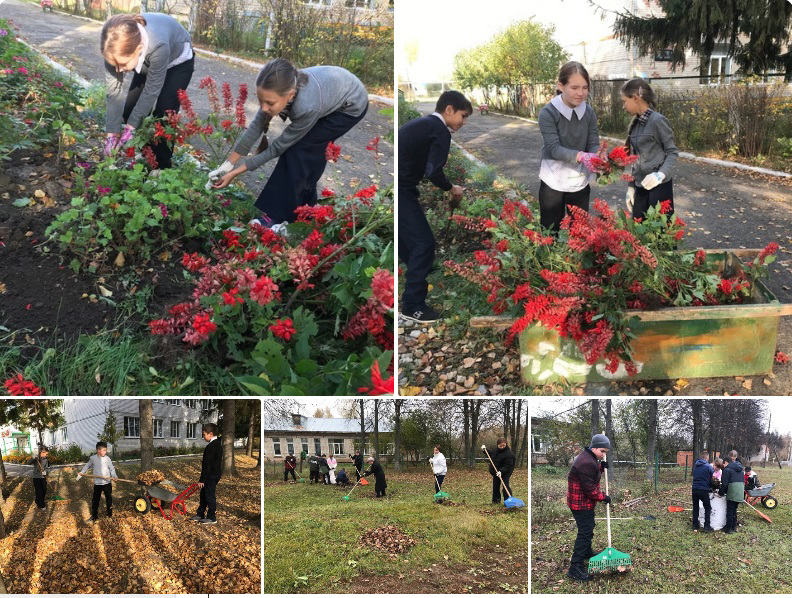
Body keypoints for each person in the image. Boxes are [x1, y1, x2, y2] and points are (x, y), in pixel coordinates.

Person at [209, 59, 369, 226]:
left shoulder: (306, 106)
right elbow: (256, 126)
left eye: (269, 103)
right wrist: (228, 165)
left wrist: (235, 173)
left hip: (349, 106)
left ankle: (279, 217)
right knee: (306, 157)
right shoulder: (276, 89)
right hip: (331, 93)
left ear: (290, 95)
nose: (264, 108)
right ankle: (307, 214)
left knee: (298, 152)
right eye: (260, 101)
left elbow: (278, 147)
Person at [398, 90, 471, 324]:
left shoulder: (422, 124)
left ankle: (418, 272)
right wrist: (452, 189)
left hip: (396, 187)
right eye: (463, 115)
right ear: (448, 110)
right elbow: (433, 171)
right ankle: (412, 306)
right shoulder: (439, 130)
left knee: (408, 242)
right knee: (423, 243)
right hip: (401, 189)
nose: (463, 122)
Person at [101, 13, 194, 168]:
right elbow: (113, 93)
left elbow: (151, 91)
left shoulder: (158, 45)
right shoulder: (112, 46)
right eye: (114, 64)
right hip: (145, 61)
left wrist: (129, 131)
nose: (118, 70)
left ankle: (162, 166)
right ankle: (145, 152)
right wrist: (112, 134)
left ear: (138, 49)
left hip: (177, 61)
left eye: (123, 65)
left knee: (164, 114)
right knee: (130, 110)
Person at [537, 61, 600, 233]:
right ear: (561, 86)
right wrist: (582, 156)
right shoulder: (548, 113)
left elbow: (593, 141)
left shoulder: (589, 112)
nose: (581, 93)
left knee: (580, 231)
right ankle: (549, 259)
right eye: (574, 87)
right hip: (553, 180)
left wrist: (596, 157)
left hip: (579, 180)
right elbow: (553, 148)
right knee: (550, 230)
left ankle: (577, 260)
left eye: (585, 87)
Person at [620, 77, 679, 219]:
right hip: (641, 187)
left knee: (660, 235)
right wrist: (631, 186)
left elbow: (672, 152)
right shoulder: (635, 125)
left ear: (635, 98)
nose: (623, 106)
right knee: (640, 233)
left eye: (624, 102)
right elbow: (635, 159)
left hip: (659, 189)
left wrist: (660, 175)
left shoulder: (657, 121)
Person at [566, 434, 612, 583]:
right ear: (595, 447)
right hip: (580, 503)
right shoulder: (586, 462)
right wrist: (604, 497)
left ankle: (586, 552)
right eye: (603, 451)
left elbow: (591, 475)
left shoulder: (589, 458)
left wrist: (600, 468)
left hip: (583, 502)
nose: (604, 455)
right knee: (585, 532)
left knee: (589, 527)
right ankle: (575, 567)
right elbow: (590, 490)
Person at [190, 423, 222, 525]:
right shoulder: (217, 444)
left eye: (204, 434)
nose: (203, 437)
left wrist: (202, 480)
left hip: (211, 476)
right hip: (212, 475)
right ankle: (200, 514)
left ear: (211, 434)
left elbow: (207, 465)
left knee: (209, 496)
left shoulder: (212, 446)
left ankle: (212, 517)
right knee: (203, 495)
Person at [78, 441, 118, 524]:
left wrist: (114, 476)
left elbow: (111, 468)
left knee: (108, 499)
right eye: (103, 450)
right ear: (98, 450)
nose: (105, 452)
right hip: (98, 484)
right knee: (95, 500)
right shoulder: (93, 458)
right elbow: (87, 466)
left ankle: (109, 514)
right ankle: (94, 515)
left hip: (107, 483)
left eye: (105, 450)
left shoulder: (107, 459)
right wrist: (82, 472)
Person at [718, 454, 744, 534]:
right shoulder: (740, 468)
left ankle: (729, 529)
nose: (723, 466)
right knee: (734, 510)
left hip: (733, 490)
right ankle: (733, 526)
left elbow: (724, 483)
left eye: (723, 464)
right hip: (740, 491)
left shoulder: (727, 469)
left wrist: (721, 492)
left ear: (726, 462)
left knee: (730, 510)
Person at [487, 438, 515, 505]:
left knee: (505, 486)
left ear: (506, 444)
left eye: (503, 445)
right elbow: (492, 455)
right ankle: (496, 501)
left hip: (506, 472)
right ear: (497, 445)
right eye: (500, 446)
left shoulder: (509, 454)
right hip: (496, 472)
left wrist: (501, 471)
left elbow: (508, 465)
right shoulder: (495, 450)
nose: (502, 447)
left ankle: (508, 502)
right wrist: (485, 450)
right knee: (496, 486)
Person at [692, 451, 715, 532]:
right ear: (706, 458)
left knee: (695, 507)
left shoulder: (695, 465)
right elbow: (712, 478)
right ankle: (707, 526)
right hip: (703, 489)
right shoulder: (708, 466)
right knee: (708, 507)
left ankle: (695, 525)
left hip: (694, 488)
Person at [30, 446, 51, 512]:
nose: (46, 455)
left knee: (44, 490)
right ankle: (41, 505)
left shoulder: (46, 460)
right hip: (36, 477)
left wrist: (46, 472)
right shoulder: (36, 459)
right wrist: (33, 457)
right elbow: (29, 462)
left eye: (47, 454)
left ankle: (37, 500)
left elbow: (47, 468)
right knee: (39, 491)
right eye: (45, 453)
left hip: (43, 477)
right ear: (41, 452)